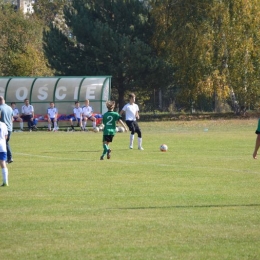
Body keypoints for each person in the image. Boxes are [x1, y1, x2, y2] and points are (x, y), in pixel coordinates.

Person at [0, 96, 13, 164]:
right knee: (5, 142)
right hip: (9, 128)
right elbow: (12, 118)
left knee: (4, 143)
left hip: (2, 128)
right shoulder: (9, 108)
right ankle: (9, 157)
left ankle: (8, 158)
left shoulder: (0, 108)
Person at [0, 120, 9, 186]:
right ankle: (5, 182)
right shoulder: (3, 124)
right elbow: (6, 136)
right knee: (3, 163)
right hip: (2, 146)